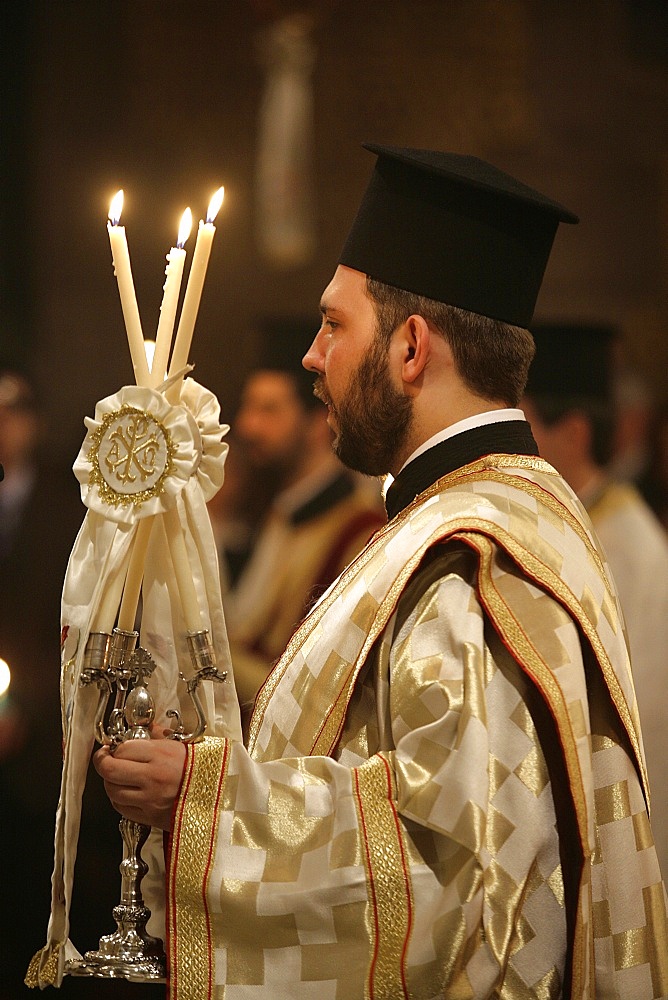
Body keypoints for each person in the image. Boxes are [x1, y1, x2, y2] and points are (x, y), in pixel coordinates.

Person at [93, 146, 668, 997]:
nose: (311, 356)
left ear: (409, 348)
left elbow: (460, 877)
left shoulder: (470, 557)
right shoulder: (517, 508)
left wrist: (205, 795)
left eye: (334, 324)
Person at [521, 321, 668, 879]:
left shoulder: (632, 551)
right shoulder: (568, 524)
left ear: (575, 433)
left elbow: (643, 726)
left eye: (527, 424)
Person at [218, 317, 386, 727]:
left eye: (269, 410)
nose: (247, 426)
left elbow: (311, 691)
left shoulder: (359, 532)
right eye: (249, 407)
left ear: (317, 424)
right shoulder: (275, 512)